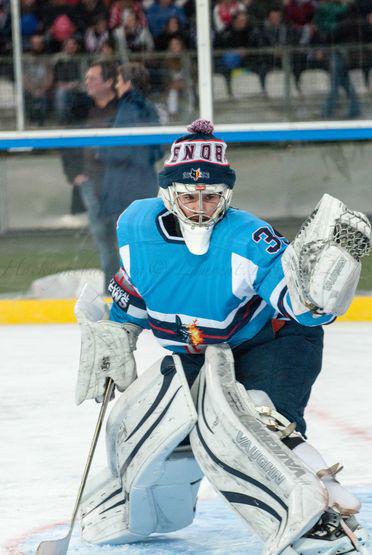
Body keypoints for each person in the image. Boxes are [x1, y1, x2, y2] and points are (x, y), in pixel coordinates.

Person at [74, 120, 371, 553]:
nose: (199, 207)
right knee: (160, 425)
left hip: (271, 341)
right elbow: (137, 284)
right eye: (189, 196)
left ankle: (315, 516)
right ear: (168, 194)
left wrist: (320, 295)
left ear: (226, 196)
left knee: (256, 423)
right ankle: (131, 498)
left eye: (210, 196)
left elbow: (297, 308)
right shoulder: (135, 225)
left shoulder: (250, 237)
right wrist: (119, 329)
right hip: (199, 350)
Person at [61, 60, 118, 290]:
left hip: (118, 182)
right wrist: (74, 173)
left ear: (109, 81)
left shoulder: (122, 108)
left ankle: (128, 288)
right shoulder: (80, 108)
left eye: (93, 78)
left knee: (122, 235)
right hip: (90, 182)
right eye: (87, 78)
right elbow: (66, 141)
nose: (88, 83)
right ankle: (109, 286)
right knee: (102, 237)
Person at [99, 62, 163, 223]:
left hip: (126, 183)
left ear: (128, 83)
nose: (116, 85)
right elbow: (157, 149)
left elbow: (120, 148)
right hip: (145, 178)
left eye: (119, 81)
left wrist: (102, 151)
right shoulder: (148, 107)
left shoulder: (129, 108)